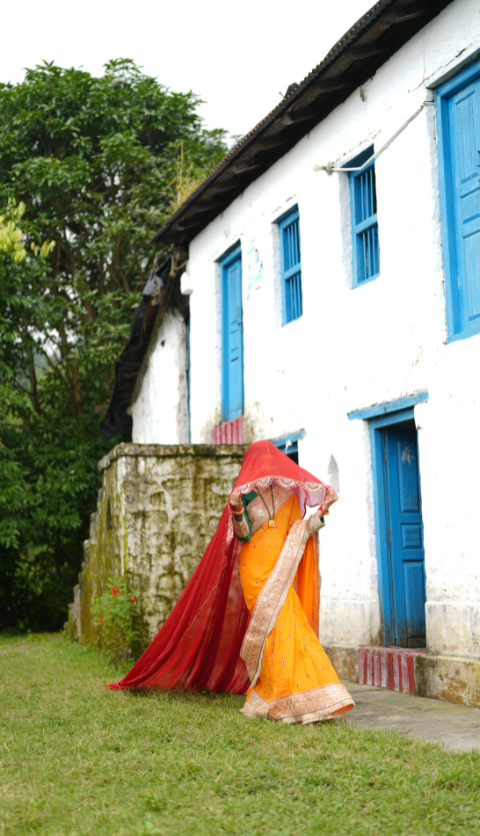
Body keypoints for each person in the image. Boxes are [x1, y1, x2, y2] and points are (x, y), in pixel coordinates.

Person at [109, 440, 355, 724]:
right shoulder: (246, 494)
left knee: (291, 626)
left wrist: (323, 510)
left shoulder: (289, 494)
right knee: (273, 631)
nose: (264, 466)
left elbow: (301, 531)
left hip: (280, 571)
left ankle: (301, 694)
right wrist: (237, 510)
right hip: (254, 573)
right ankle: (280, 694)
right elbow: (243, 536)